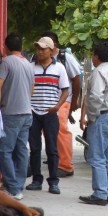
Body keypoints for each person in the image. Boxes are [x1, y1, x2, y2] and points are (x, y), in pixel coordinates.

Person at [79, 42, 108, 206]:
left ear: (96, 56)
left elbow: (96, 97)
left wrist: (91, 117)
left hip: (103, 117)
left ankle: (100, 193)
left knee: (96, 156)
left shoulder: (98, 72)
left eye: (93, 55)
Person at [26, 37, 69, 195]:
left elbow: (65, 90)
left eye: (43, 49)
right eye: (38, 48)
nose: (39, 51)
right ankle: (37, 180)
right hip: (33, 112)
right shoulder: (30, 67)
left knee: (52, 149)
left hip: (51, 113)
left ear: (51, 50)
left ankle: (53, 182)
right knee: (35, 148)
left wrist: (57, 106)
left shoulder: (59, 69)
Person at [41, 31, 81, 177]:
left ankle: (65, 166)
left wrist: (74, 101)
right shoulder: (38, 58)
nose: (42, 50)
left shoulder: (65, 58)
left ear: (54, 46)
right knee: (44, 131)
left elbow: (77, 79)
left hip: (62, 101)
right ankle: (54, 160)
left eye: (46, 46)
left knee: (60, 131)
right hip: (43, 101)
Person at [0, 33, 35, 200]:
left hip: (11, 113)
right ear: (21, 47)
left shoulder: (5, 63)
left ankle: (13, 187)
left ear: (6, 47)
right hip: (27, 113)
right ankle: (19, 186)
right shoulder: (28, 64)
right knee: (21, 150)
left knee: (4, 150)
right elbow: (32, 90)